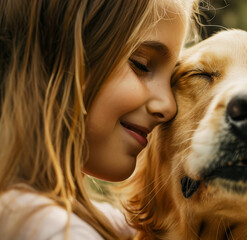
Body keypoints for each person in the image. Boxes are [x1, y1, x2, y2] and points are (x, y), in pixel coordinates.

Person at [0, 0, 199, 239]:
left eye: (171, 79)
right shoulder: (53, 231)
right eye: (141, 65)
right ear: (55, 51)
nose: (169, 105)